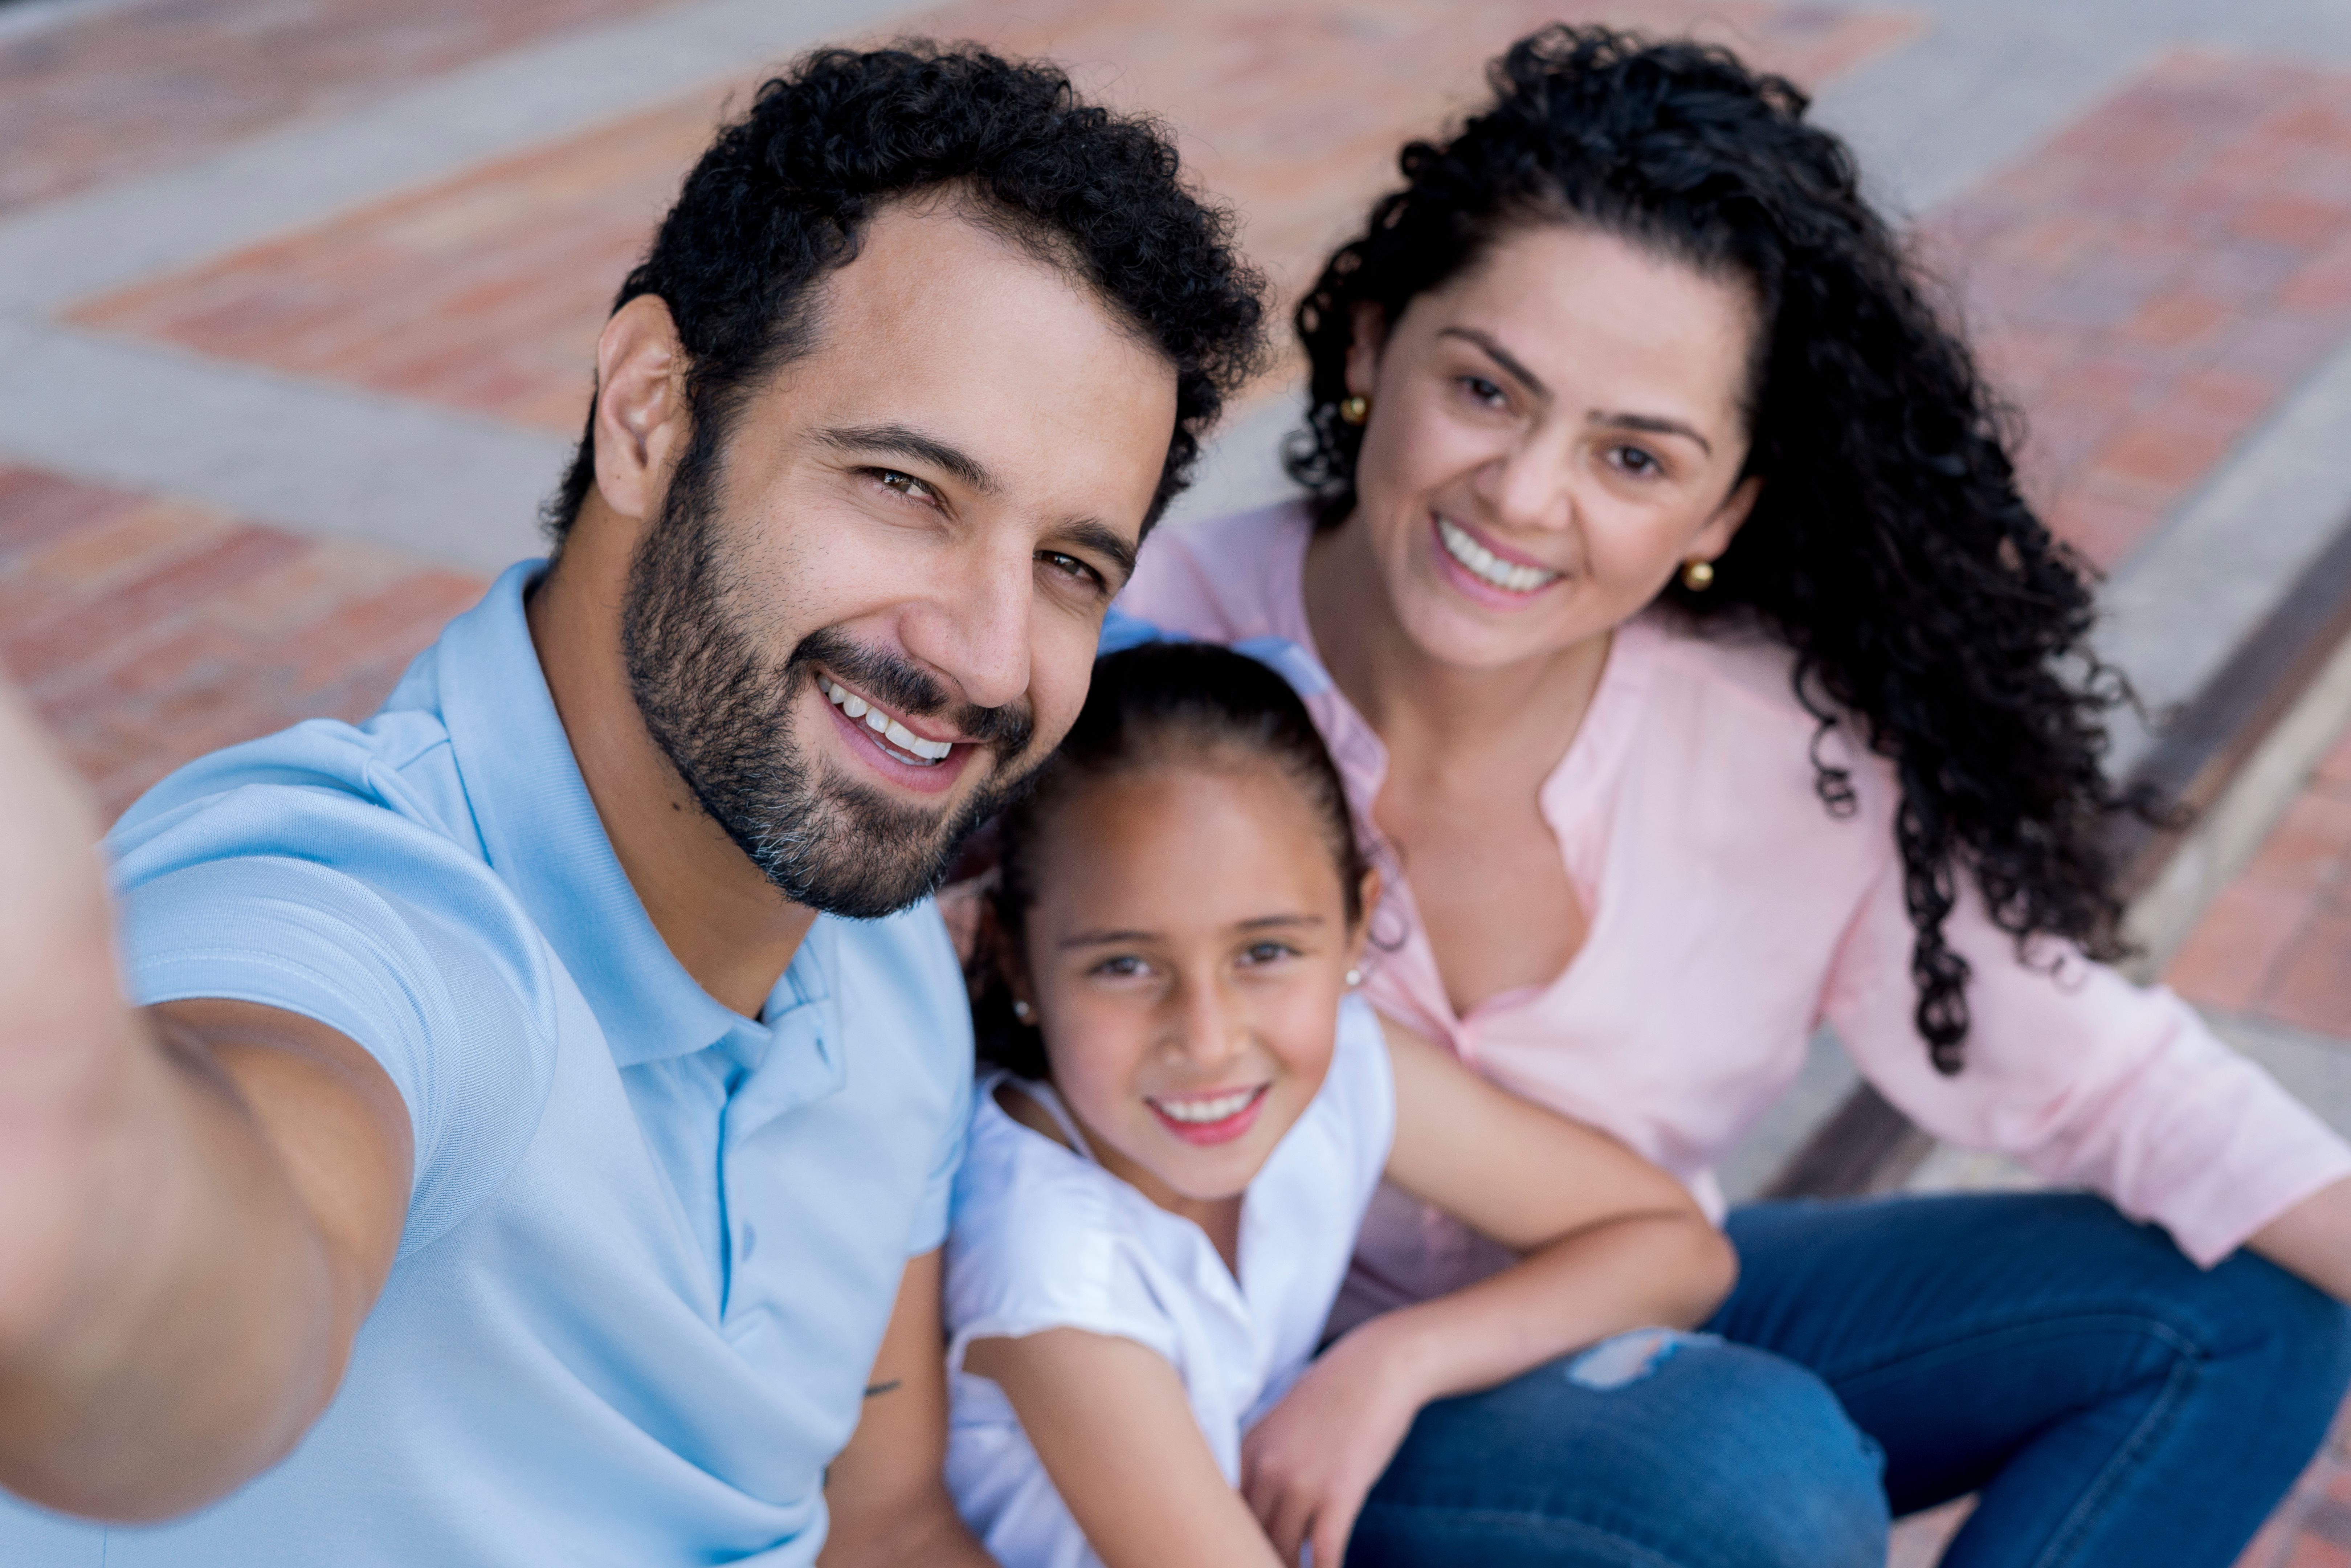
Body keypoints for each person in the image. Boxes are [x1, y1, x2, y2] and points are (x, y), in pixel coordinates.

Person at [0, 42, 1263, 1566]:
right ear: (652, 410)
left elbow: (880, 1523)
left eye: (1069, 565)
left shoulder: (884, 980)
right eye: (901, 487)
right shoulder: (360, 902)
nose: (986, 657)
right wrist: (82, 1189)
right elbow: (212, 1271)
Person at [1116, 24, 2351, 1568]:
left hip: (1613, 1298)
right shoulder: (1141, 658)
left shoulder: (1788, 747)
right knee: (1747, 1488)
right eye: (1487, 389)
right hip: (1208, 1404)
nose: (1522, 494)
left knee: (2243, 1313)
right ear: (1371, 345)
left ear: (1723, 504)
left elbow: (2105, 1080)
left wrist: (1421, 1350)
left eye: (1632, 457)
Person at [939, 641, 1743, 1568]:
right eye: (1124, 965)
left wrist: (1388, 1365)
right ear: (1014, 960)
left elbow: (1678, 1247)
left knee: (1742, 1460)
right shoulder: (1049, 1260)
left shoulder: (1342, 1061)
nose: (1207, 1040)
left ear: (1357, 926)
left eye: (1265, 953)